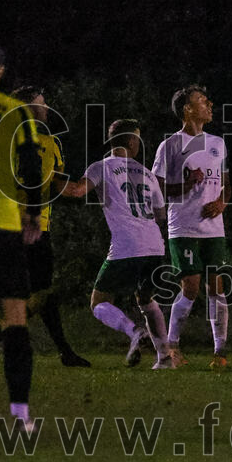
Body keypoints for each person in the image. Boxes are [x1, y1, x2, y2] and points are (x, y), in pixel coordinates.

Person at [0, 86, 90, 367]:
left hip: (22, 225)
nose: (45, 108)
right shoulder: (25, 140)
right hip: (24, 226)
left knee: (35, 292)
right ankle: (63, 351)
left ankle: (64, 352)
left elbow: (60, 187)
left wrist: (88, 185)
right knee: (41, 292)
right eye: (40, 103)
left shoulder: (35, 141)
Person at [66, 120, 172, 368]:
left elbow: (76, 191)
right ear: (133, 142)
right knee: (146, 299)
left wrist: (48, 180)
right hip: (155, 245)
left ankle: (134, 332)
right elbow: (160, 215)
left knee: (99, 301)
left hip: (126, 245)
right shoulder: (147, 174)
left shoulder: (101, 167)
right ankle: (165, 358)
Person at [152, 85, 231, 369]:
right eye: (201, 101)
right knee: (191, 286)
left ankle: (220, 352)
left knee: (216, 286)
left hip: (213, 228)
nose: (209, 104)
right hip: (183, 226)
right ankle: (172, 348)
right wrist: (186, 184)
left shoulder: (218, 143)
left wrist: (222, 203)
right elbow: (156, 190)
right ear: (187, 109)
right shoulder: (170, 145)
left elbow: (228, 186)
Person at [0, 38, 43, 431]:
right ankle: (20, 415)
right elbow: (30, 169)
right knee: (15, 319)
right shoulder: (15, 113)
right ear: (0, 71)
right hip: (3, 227)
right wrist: (34, 215)